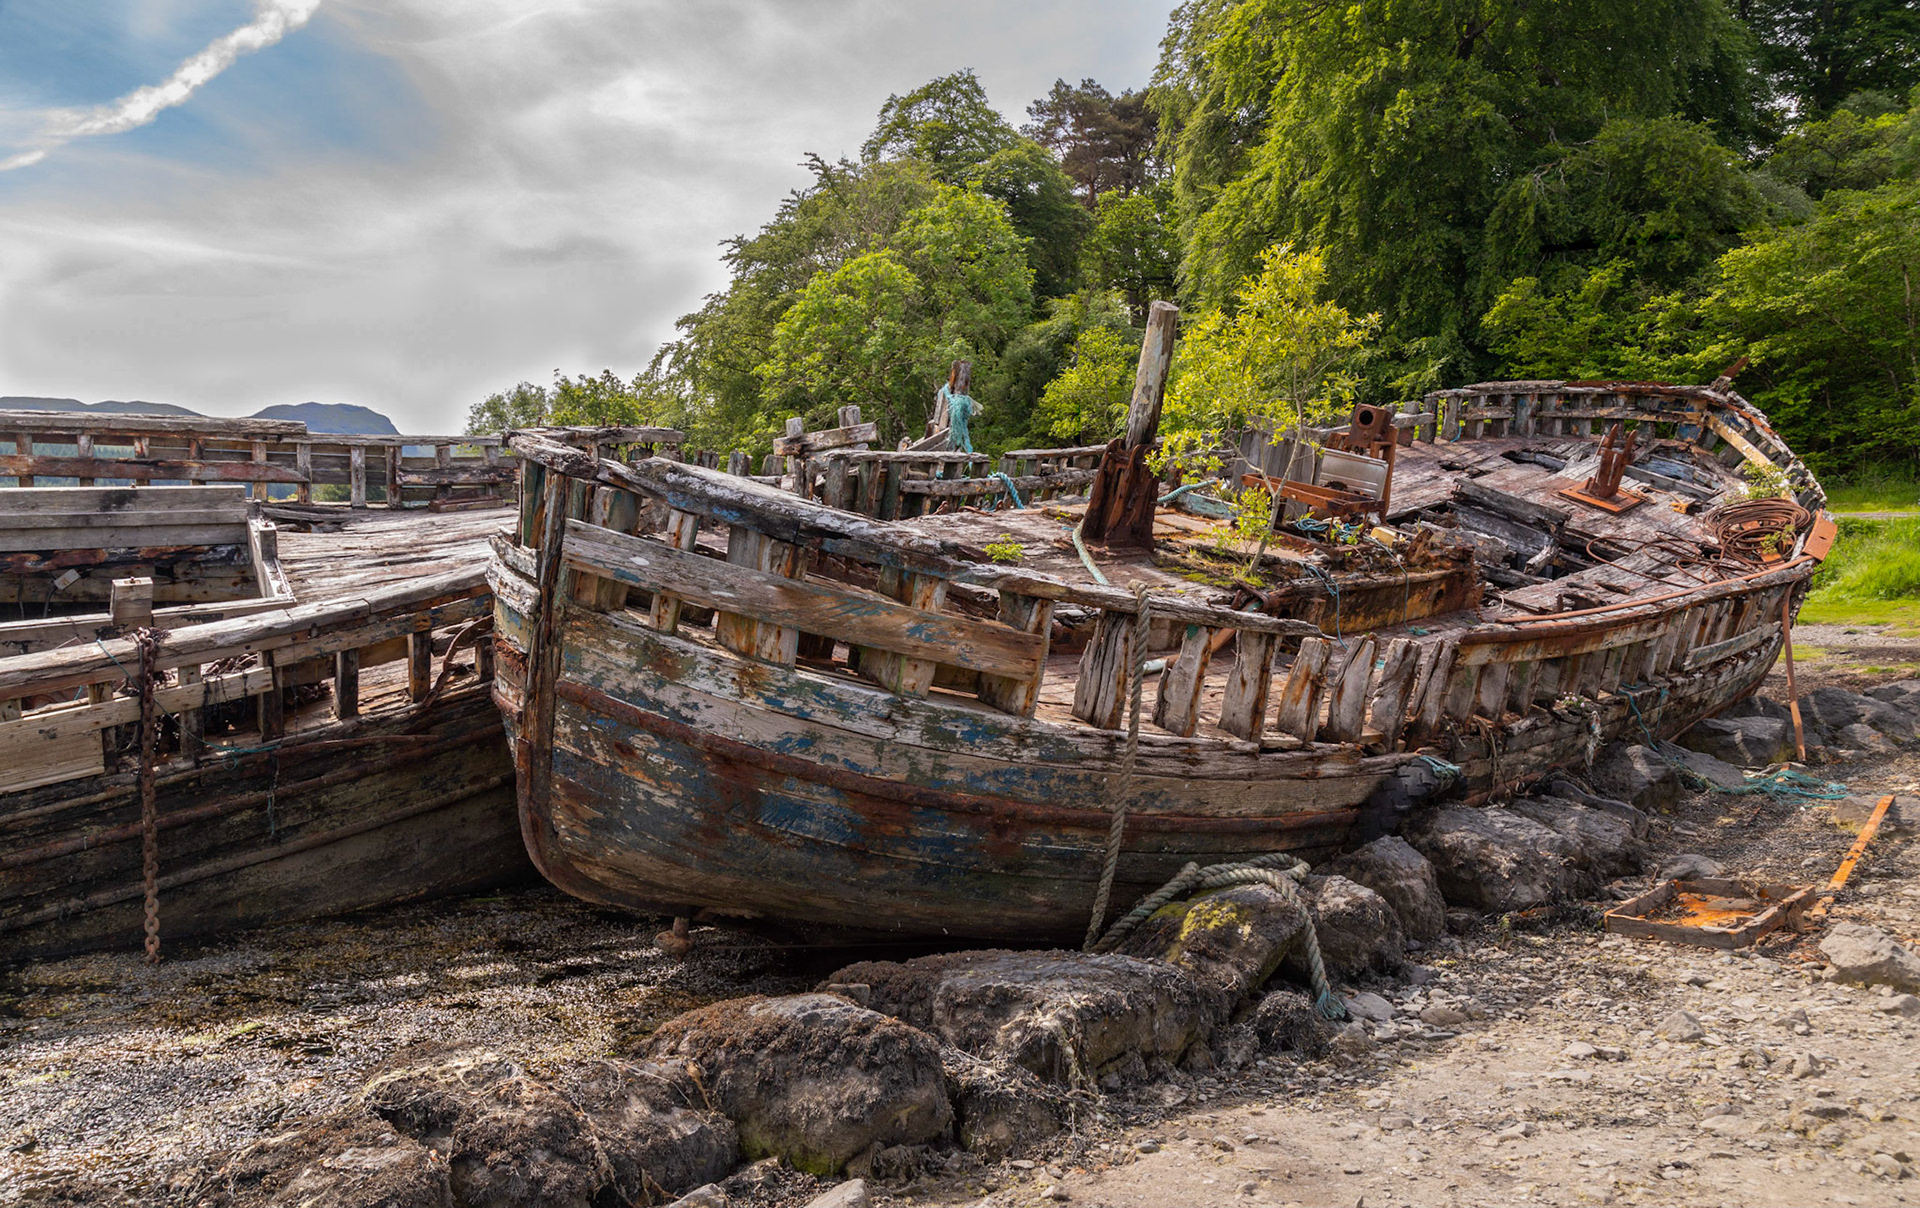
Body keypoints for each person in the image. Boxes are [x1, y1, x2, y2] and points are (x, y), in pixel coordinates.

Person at [934, 360, 980, 453]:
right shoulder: (946, 393)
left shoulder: (962, 399)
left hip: (957, 399)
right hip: (944, 427)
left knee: (959, 435)